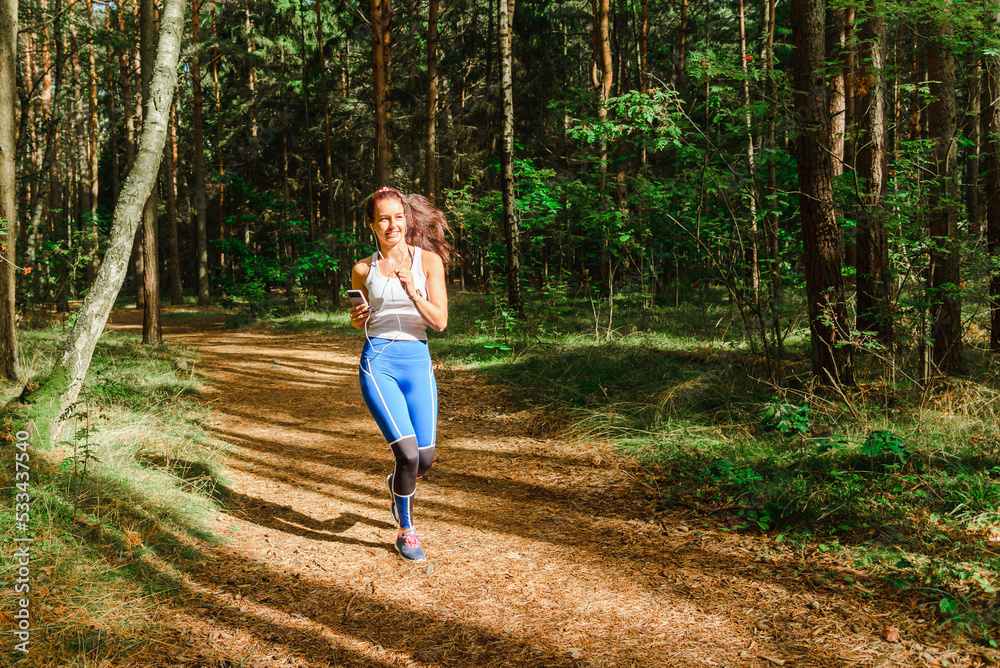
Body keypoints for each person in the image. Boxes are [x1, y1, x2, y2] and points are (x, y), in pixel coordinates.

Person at [349, 186, 452, 562]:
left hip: (418, 361)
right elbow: (362, 318)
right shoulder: (363, 268)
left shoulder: (428, 263)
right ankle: (407, 532)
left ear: (406, 219)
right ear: (370, 224)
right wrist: (356, 318)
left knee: (424, 460)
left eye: (398, 216)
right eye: (383, 219)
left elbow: (440, 322)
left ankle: (397, 486)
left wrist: (413, 291)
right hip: (379, 363)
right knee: (407, 455)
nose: (392, 225)